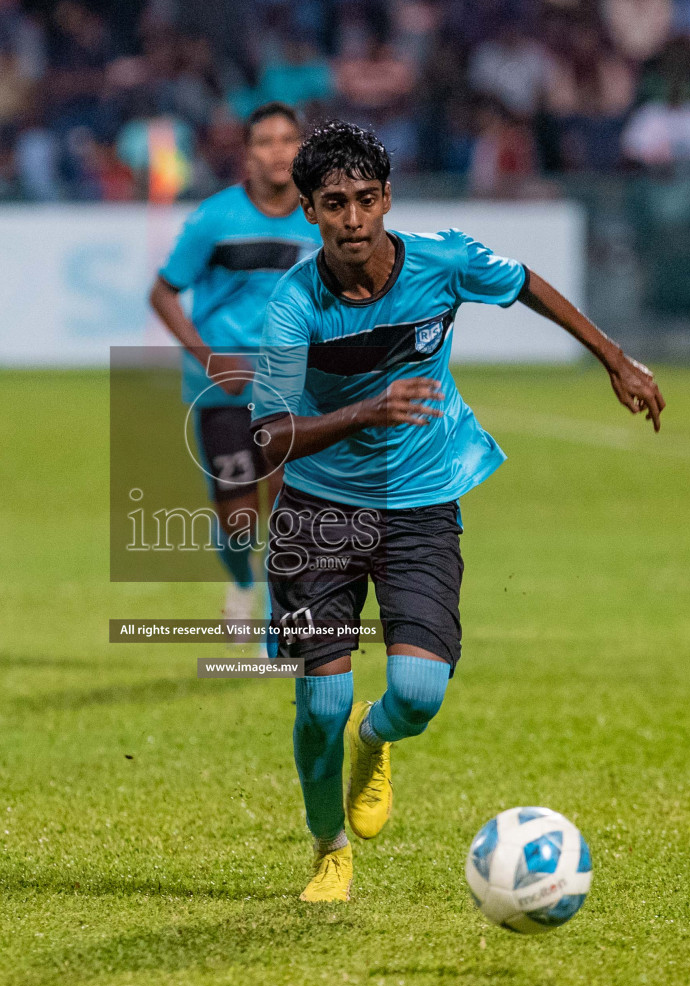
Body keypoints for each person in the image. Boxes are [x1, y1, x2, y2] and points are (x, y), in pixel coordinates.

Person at [251, 122, 665, 902]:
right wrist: (365, 412)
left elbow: (526, 283)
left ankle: (373, 743)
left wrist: (615, 357)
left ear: (387, 199)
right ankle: (329, 849)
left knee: (415, 696)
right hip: (318, 511)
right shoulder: (291, 307)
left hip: (420, 506)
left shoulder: (442, 259)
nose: (352, 220)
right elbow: (268, 436)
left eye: (366, 200)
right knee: (320, 701)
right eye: (333, 204)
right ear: (308, 211)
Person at [148, 102, 322, 626]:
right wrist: (207, 358)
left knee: (291, 501)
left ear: (302, 148)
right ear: (247, 155)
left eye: (288, 140)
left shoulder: (321, 218)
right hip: (222, 387)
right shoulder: (214, 219)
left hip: (292, 384)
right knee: (241, 520)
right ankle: (242, 580)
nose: (278, 151)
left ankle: (281, 608)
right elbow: (162, 292)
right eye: (265, 141)